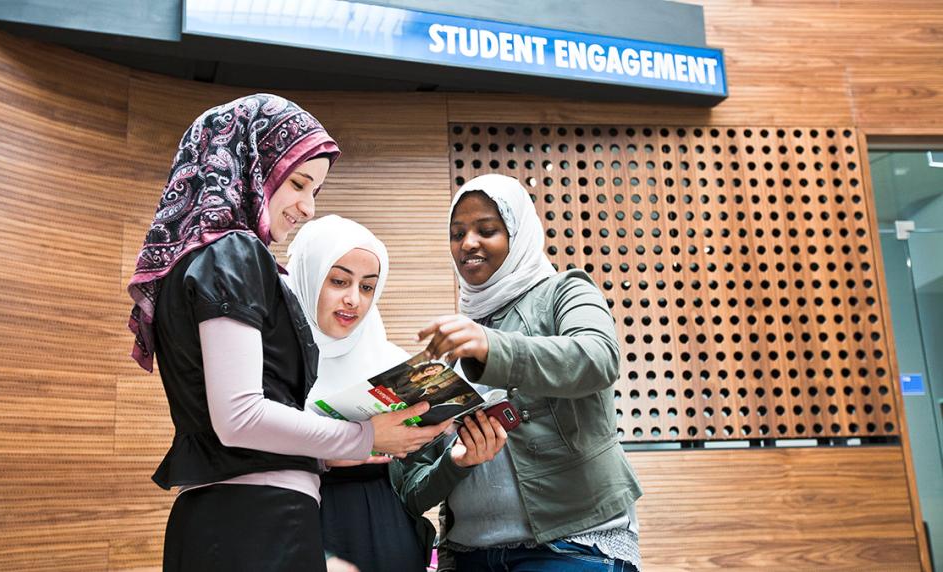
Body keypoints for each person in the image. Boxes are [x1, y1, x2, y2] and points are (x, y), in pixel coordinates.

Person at [126, 94, 448, 572]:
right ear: (252, 166)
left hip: (229, 519)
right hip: (258, 523)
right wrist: (365, 437)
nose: (307, 207)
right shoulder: (234, 252)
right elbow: (239, 417)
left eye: (314, 189)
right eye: (298, 183)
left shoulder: (194, 259)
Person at [395, 173, 643, 571]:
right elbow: (412, 488)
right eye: (457, 234)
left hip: (570, 547)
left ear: (517, 234)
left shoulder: (565, 290)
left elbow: (598, 358)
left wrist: (492, 346)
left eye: (487, 230)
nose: (468, 243)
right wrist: (456, 463)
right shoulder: (452, 341)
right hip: (468, 556)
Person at [284, 214, 508, 572]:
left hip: (390, 539)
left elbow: (414, 493)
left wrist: (456, 462)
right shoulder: (273, 364)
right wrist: (335, 450)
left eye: (368, 286)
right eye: (339, 281)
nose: (353, 300)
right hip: (301, 530)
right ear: (308, 278)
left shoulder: (392, 365)